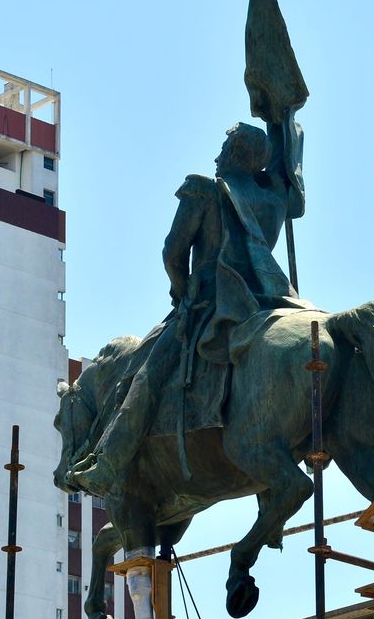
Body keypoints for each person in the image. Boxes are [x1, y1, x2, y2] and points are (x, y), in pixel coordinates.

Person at [65, 122, 307, 495]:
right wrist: (284, 125)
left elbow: (172, 253)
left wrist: (180, 292)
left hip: (208, 306)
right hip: (264, 304)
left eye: (225, 148)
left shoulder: (204, 192)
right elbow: (286, 167)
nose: (217, 155)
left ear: (238, 154)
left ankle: (106, 464)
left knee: (143, 377)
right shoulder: (274, 202)